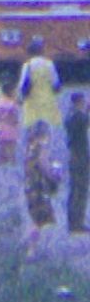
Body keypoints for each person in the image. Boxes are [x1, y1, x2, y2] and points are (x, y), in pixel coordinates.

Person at [23, 120, 61, 260]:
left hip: (29, 186)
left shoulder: (29, 148)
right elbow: (44, 166)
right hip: (38, 188)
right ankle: (31, 250)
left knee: (36, 218)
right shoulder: (41, 149)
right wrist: (54, 176)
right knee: (38, 220)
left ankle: (32, 246)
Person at [18, 36, 61, 131]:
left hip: (32, 99)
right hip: (48, 97)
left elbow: (22, 84)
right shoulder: (49, 64)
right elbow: (55, 82)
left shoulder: (28, 65)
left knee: (32, 124)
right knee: (47, 123)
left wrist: (20, 97)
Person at [65, 93, 90, 234]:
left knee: (75, 189)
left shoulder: (70, 115)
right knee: (80, 189)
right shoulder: (77, 117)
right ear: (79, 102)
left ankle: (74, 221)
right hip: (80, 157)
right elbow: (85, 121)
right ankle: (77, 223)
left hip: (75, 155)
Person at [0, 81, 21, 173]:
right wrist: (16, 123)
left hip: (2, 126)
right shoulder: (12, 104)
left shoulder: (0, 102)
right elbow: (14, 116)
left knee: (2, 143)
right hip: (11, 127)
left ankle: (0, 160)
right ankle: (12, 161)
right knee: (11, 144)